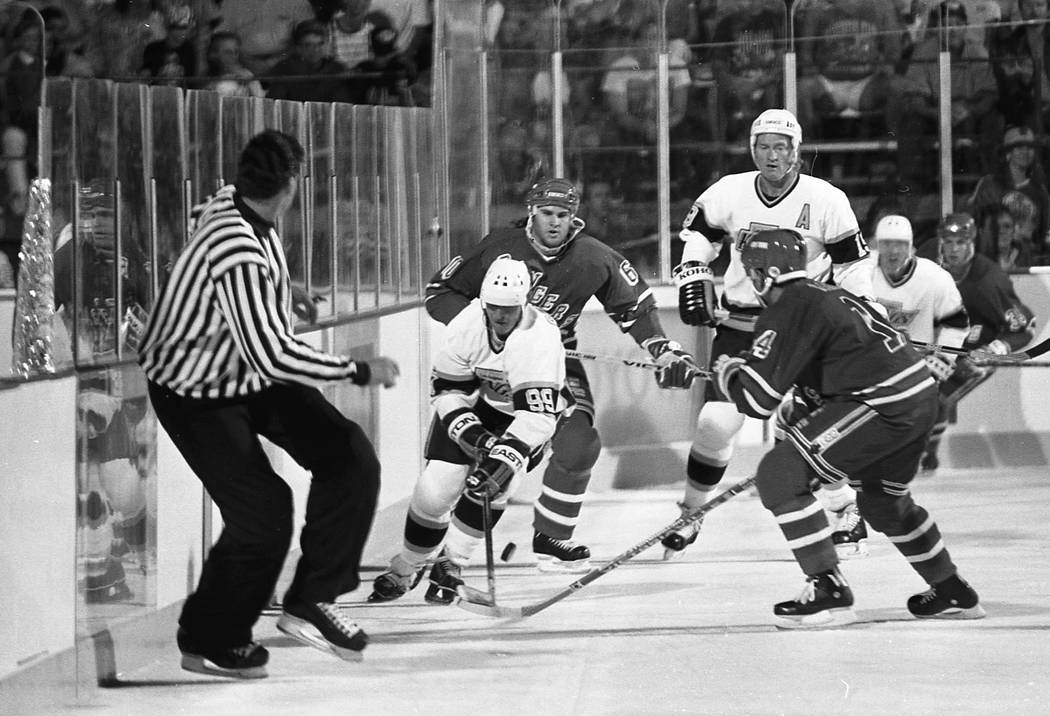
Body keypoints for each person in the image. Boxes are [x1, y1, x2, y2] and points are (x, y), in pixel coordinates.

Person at [137, 130, 400, 678]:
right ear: (292, 185)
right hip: (194, 390)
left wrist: (281, 284)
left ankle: (312, 600)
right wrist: (356, 370)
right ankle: (209, 637)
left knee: (348, 455)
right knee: (263, 511)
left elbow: (200, 225)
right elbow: (274, 355)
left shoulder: (223, 201)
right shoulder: (237, 252)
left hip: (240, 370)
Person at [713, 227, 984, 628]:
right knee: (883, 502)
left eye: (751, 271)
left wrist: (728, 371)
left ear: (767, 274)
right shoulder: (828, 294)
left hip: (882, 403)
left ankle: (829, 592)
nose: (749, 280)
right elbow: (827, 370)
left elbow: (756, 401)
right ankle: (952, 590)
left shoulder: (787, 307)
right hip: (918, 399)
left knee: (778, 474)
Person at [425, 177, 698, 574]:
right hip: (489, 360)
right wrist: (483, 329)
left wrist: (663, 348)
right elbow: (440, 291)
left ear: (575, 217)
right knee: (459, 460)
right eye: (547, 213)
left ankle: (551, 539)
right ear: (531, 213)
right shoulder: (499, 246)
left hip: (553, 361)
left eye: (563, 215)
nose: (555, 222)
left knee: (580, 442)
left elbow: (635, 309)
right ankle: (433, 544)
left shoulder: (595, 257)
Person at [666, 108, 876, 560]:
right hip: (742, 323)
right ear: (752, 149)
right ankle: (691, 511)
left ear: (796, 152)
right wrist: (693, 273)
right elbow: (698, 236)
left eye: (781, 147)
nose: (772, 155)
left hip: (804, 327)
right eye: (763, 146)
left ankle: (845, 510)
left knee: (804, 423)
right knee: (714, 424)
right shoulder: (730, 190)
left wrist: (861, 307)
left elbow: (853, 264)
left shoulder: (826, 199)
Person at [368, 258, 569, 603]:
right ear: (483, 303)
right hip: (481, 407)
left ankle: (452, 562)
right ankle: (407, 566)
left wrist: (504, 456)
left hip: (527, 418)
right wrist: (472, 435)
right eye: (493, 307)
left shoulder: (540, 338)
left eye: (509, 308)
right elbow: (447, 391)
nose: (500, 316)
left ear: (524, 303)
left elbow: (537, 419)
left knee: (495, 485)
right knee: (434, 490)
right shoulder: (467, 324)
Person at [918, 212, 1036, 471]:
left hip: (973, 352)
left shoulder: (989, 280)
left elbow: (1026, 328)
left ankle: (927, 454)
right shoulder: (930, 266)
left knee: (935, 392)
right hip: (939, 345)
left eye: (960, 242)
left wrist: (994, 350)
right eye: (948, 242)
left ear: (972, 243)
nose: (953, 249)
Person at [868, 213, 970, 381]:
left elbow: (957, 325)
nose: (893, 252)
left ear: (910, 246)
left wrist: (941, 360)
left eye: (900, 244)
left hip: (916, 371)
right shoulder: (860, 272)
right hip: (870, 368)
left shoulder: (936, 278)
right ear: (877, 245)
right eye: (886, 244)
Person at [965, 125, 1050, 263]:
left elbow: (1044, 231)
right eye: (1019, 147)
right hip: (990, 259)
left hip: (1025, 260)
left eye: (1029, 148)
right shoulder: (988, 184)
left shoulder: (1039, 191)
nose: (1025, 152)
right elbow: (975, 222)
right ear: (1007, 153)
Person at [267, 19, 354, 104]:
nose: (315, 50)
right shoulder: (285, 70)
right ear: (298, 47)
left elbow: (343, 106)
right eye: (308, 45)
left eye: (320, 44)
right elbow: (274, 106)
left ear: (327, 44)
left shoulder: (336, 69)